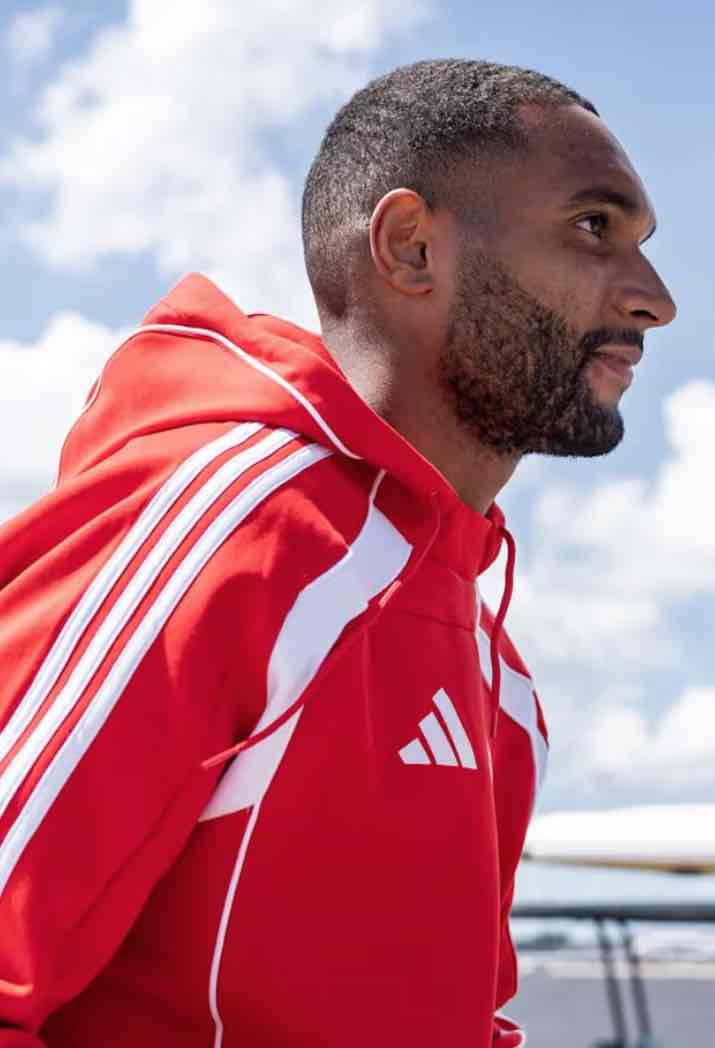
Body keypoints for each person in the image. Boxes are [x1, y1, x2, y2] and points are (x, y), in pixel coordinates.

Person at [0, 58, 675, 1046]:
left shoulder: (498, 681)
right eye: (592, 227)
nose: (655, 299)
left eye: (642, 246)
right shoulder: (231, 538)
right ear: (410, 246)